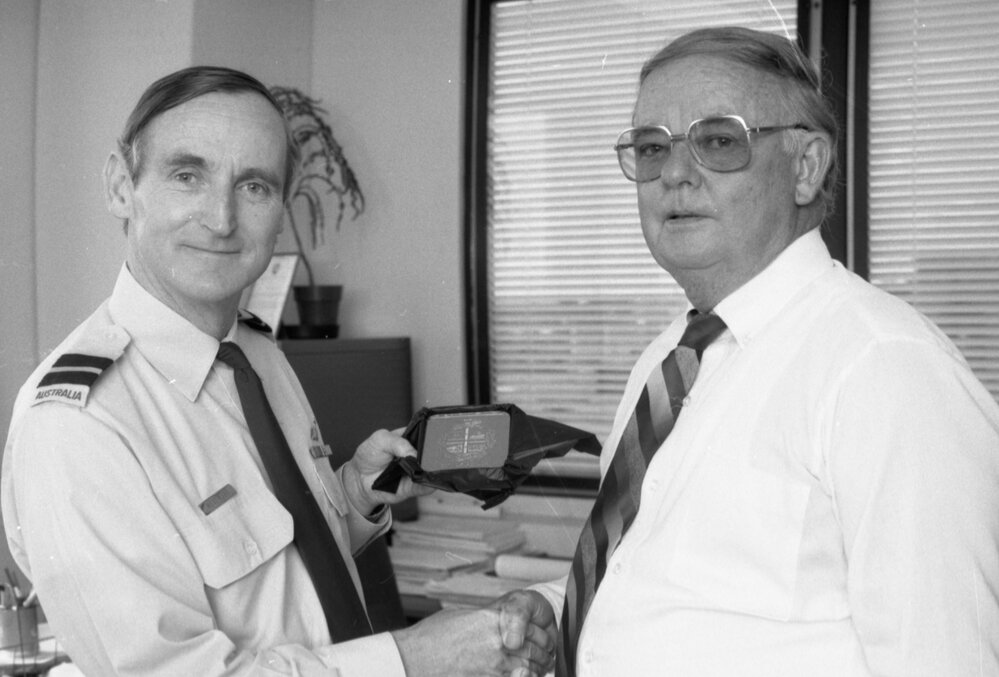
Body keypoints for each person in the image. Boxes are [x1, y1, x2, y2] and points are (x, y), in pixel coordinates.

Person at [1, 66, 555, 677]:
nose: (221, 218)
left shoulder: (255, 355)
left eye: (255, 187)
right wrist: (416, 661)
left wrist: (353, 496)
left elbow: (282, 578)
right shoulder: (78, 428)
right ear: (120, 186)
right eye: (188, 175)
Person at [515, 26, 999, 676]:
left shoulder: (885, 367)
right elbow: (707, 590)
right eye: (651, 146)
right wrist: (565, 608)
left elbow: (944, 658)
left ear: (805, 167)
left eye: (718, 140)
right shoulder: (665, 361)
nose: (675, 174)